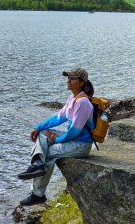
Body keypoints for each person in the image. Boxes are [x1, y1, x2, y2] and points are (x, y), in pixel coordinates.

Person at [18, 67, 94, 206]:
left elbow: (74, 132)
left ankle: (37, 194)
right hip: (73, 141)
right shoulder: (72, 98)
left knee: (48, 152)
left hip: (80, 145)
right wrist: (39, 127)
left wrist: (57, 139)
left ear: (82, 82)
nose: (68, 81)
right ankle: (37, 164)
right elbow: (58, 117)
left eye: (72, 78)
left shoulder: (83, 102)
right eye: (68, 78)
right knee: (43, 133)